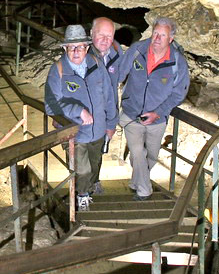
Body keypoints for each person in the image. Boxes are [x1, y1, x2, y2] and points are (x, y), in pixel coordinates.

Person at [44, 24, 117, 212]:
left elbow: (109, 96)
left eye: (80, 47)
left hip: (98, 129)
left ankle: (90, 186)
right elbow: (51, 104)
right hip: (74, 131)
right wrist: (78, 110)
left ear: (87, 47)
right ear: (65, 49)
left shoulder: (97, 64)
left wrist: (111, 124)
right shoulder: (58, 70)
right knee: (82, 169)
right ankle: (82, 196)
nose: (76, 51)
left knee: (95, 163)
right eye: (71, 47)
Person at [117, 17, 189, 201]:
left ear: (170, 39)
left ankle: (136, 181)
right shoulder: (137, 50)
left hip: (157, 118)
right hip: (132, 113)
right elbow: (118, 75)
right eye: (155, 33)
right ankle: (144, 190)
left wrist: (158, 112)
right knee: (137, 153)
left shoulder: (177, 61)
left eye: (162, 35)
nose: (156, 38)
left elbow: (179, 92)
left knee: (151, 157)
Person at [88, 17, 124, 195]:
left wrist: (111, 122)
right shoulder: (81, 53)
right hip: (85, 113)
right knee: (81, 153)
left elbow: (118, 82)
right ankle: (81, 190)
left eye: (108, 36)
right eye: (100, 35)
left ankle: (93, 181)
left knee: (99, 150)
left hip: (105, 112)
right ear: (91, 34)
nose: (104, 40)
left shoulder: (117, 53)